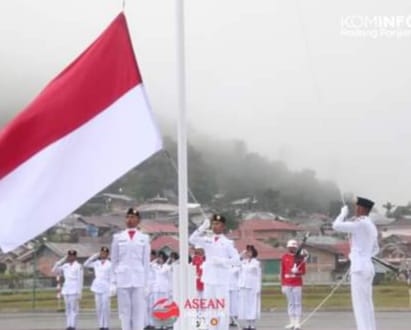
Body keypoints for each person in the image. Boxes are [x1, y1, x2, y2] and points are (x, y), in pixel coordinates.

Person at [332, 197, 379, 330]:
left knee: (360, 305)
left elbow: (336, 226)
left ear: (362, 209)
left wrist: (342, 214)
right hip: (367, 266)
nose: (356, 210)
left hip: (359, 268)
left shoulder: (361, 223)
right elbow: (375, 249)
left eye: (357, 207)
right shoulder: (369, 224)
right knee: (367, 303)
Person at [189, 214, 240, 330]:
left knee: (222, 308)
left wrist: (222, 261)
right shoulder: (207, 240)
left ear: (223, 226)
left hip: (221, 279)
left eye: (217, 224)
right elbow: (192, 239)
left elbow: (237, 261)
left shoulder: (228, 243)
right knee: (209, 308)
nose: (214, 226)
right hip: (208, 278)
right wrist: (202, 227)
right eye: (213, 224)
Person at [111, 208, 150, 330]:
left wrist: (147, 284)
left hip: (139, 279)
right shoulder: (118, 237)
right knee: (124, 312)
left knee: (138, 313)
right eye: (128, 217)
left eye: (133, 217)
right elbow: (114, 261)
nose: (130, 220)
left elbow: (146, 262)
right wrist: (113, 282)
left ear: (138, 220)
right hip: (122, 279)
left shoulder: (144, 238)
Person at [52, 249, 83, 330]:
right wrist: (61, 260)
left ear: (75, 257)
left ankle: (73, 326)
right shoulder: (65, 265)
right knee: (68, 309)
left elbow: (80, 280)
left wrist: (79, 293)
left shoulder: (78, 266)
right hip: (66, 290)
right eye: (69, 255)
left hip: (74, 289)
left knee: (74, 309)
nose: (71, 257)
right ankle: (68, 325)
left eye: (72, 255)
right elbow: (54, 270)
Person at [84, 246, 112, 330]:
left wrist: (112, 287)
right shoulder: (96, 263)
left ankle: (106, 325)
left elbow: (112, 277)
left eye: (105, 253)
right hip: (97, 286)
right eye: (102, 253)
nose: (103, 254)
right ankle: (101, 325)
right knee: (98, 307)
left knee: (105, 307)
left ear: (107, 254)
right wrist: (95, 256)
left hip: (106, 287)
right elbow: (86, 264)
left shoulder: (110, 264)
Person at [281, 240, 307, 330]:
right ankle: (291, 322)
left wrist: (297, 272)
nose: (291, 249)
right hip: (287, 283)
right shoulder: (284, 257)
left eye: (293, 247)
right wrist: (282, 284)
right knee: (290, 303)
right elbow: (283, 271)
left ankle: (297, 323)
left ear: (296, 248)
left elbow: (303, 272)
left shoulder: (301, 258)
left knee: (297, 303)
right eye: (290, 247)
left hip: (297, 283)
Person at [238, 245, 261, 330]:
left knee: (252, 305)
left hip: (252, 286)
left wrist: (258, 287)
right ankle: (247, 324)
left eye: (250, 251)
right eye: (247, 251)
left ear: (253, 252)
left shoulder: (256, 263)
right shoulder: (243, 261)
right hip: (244, 286)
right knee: (245, 305)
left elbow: (257, 274)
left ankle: (252, 324)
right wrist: (242, 254)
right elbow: (236, 262)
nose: (248, 253)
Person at [145, 250, 158, 330]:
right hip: (146, 288)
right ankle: (148, 323)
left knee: (153, 307)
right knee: (146, 307)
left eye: (150, 256)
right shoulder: (146, 264)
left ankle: (153, 323)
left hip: (154, 288)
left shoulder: (156, 263)